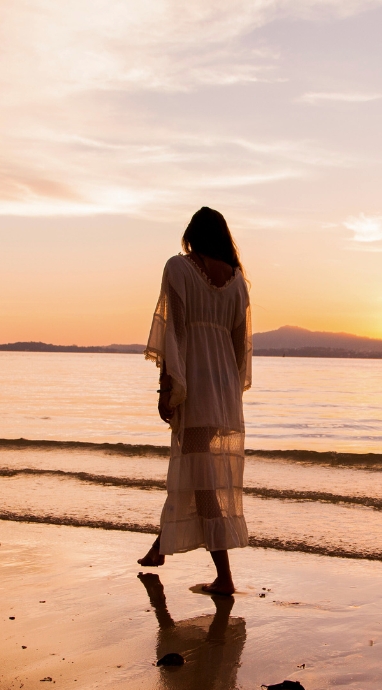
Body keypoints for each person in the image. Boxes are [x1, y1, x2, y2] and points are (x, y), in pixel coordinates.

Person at [139, 207, 252, 596]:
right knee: (194, 472)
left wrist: (167, 387)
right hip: (223, 392)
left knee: (201, 480)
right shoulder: (239, 284)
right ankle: (160, 547)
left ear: (192, 234)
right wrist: (229, 391)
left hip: (197, 387)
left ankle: (224, 576)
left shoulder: (179, 268)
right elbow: (240, 352)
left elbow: (174, 334)